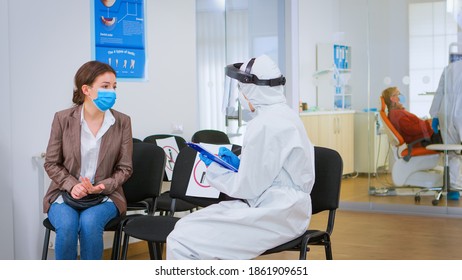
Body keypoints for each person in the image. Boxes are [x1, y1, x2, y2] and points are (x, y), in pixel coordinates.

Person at [166, 55, 315, 259]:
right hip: (281, 207)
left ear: (252, 89)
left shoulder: (264, 124)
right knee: (186, 227)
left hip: (277, 212)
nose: (240, 94)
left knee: (183, 238)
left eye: (240, 88)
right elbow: (271, 172)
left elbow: (247, 187)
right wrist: (240, 166)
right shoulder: (286, 115)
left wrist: (215, 169)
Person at [43, 60, 133, 260]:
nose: (112, 91)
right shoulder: (62, 119)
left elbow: (125, 168)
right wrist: (72, 185)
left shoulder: (122, 122)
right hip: (64, 194)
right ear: (86, 89)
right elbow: (51, 163)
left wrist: (101, 186)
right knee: (67, 225)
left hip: (105, 196)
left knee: (90, 223)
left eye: (114, 87)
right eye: (105, 86)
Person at [429, 60, 462, 197]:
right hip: (457, 113)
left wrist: (435, 114)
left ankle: (453, 188)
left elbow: (439, 92)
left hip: (446, 114)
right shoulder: (449, 68)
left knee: (452, 152)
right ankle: (453, 188)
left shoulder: (450, 68)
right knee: (453, 152)